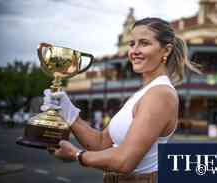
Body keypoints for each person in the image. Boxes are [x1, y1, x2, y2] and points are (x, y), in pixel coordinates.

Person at [41, 17, 201, 183]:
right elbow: (101, 143)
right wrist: (70, 114)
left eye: (144, 43)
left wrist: (76, 154)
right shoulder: (143, 93)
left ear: (166, 50)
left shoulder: (160, 94)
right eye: (132, 44)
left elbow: (125, 161)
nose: (134, 51)